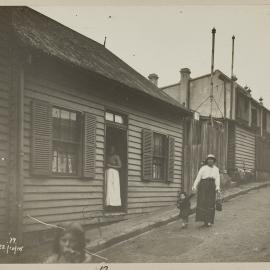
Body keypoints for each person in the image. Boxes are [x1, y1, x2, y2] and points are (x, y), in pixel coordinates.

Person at [192, 154, 221, 227]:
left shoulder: (216, 169)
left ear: (214, 161)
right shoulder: (203, 168)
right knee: (203, 201)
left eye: (212, 159)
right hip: (203, 185)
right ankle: (204, 220)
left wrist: (217, 187)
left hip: (212, 186)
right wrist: (194, 186)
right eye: (209, 159)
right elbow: (198, 177)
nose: (210, 161)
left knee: (210, 203)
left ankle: (209, 221)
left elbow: (217, 178)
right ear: (207, 161)